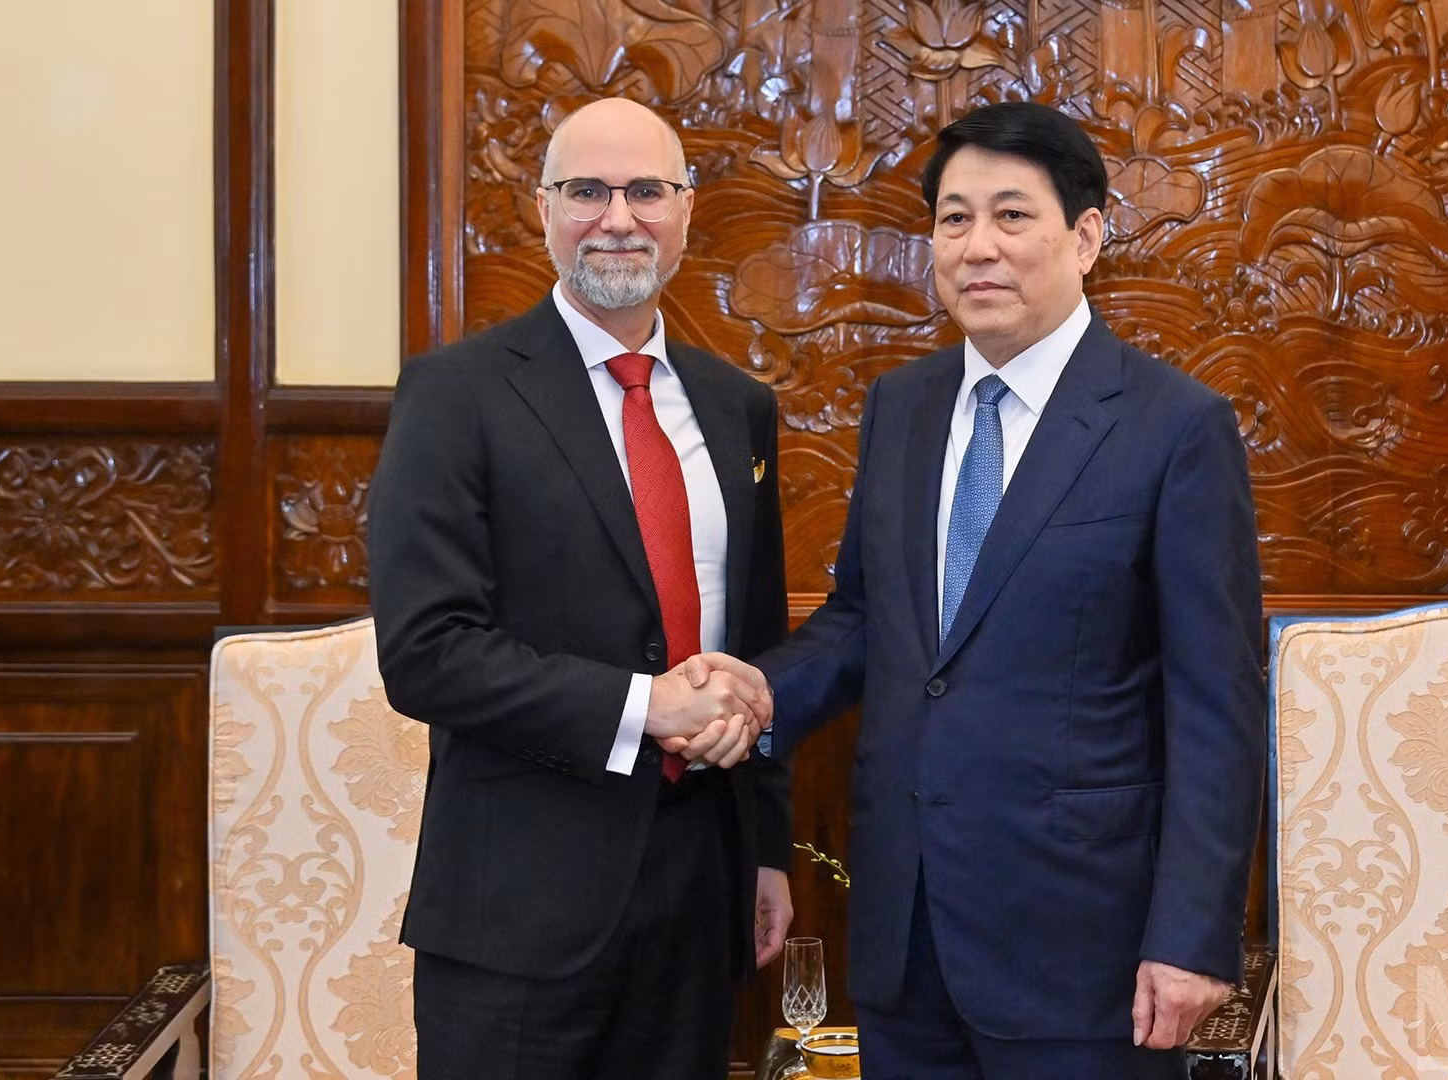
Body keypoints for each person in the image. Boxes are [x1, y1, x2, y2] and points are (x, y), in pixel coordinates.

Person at [701, 101, 1266, 1078]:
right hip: (904, 935)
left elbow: (1216, 704)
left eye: (1012, 216)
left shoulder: (1175, 428)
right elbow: (868, 622)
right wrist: (755, 697)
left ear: (1086, 236)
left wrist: (1192, 933)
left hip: (1087, 950)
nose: (978, 247)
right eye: (954, 219)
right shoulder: (904, 407)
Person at [369, 96, 792, 1080]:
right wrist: (649, 707)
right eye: (587, 191)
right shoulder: (456, 395)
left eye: (647, 191)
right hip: (519, 912)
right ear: (542, 210)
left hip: (700, 895)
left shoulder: (739, 409)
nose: (618, 218)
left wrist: (766, 848)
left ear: (687, 212)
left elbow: (760, 646)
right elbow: (427, 651)